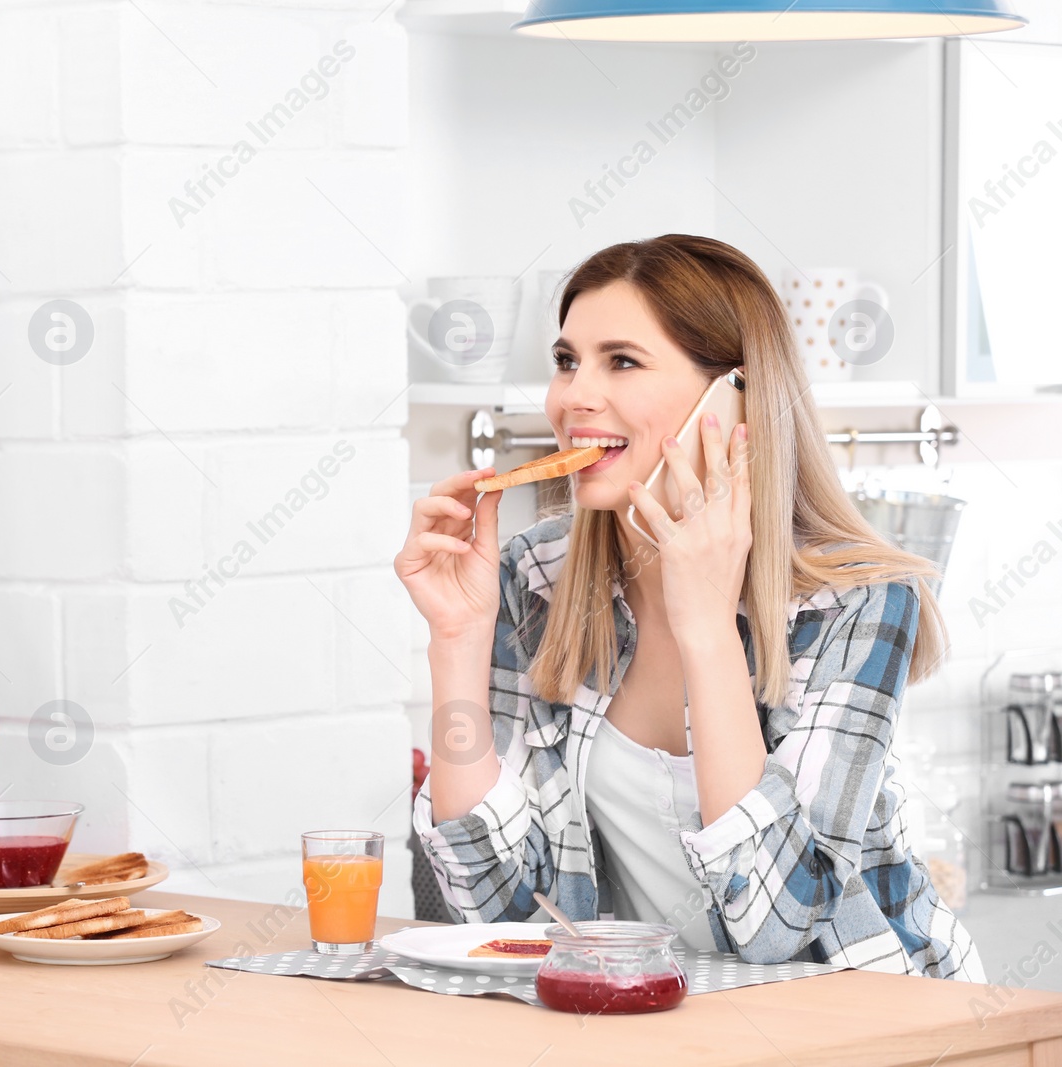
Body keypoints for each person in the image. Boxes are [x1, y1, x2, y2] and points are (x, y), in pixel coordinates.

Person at [396, 234, 982, 980]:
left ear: (733, 394)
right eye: (567, 360)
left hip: (880, 1017)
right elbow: (498, 915)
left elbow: (779, 927)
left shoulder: (859, 600)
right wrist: (457, 641)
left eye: (623, 361)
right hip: (666, 1021)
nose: (571, 396)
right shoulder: (533, 580)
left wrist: (705, 627)